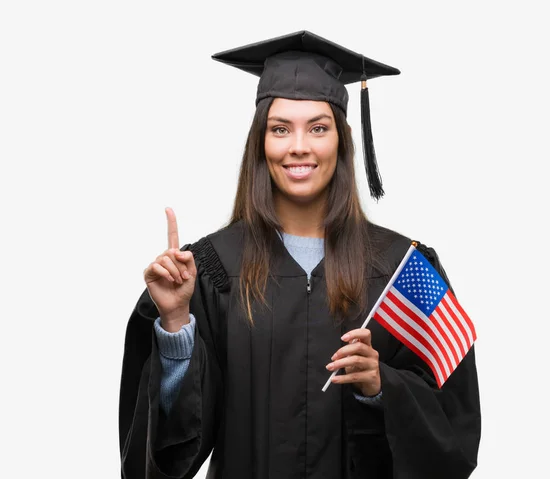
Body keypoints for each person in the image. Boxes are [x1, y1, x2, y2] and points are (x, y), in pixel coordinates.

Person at [118, 30, 481, 479]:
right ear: (261, 143)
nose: (299, 147)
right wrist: (175, 327)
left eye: (318, 128)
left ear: (343, 139)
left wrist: (381, 386)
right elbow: (171, 454)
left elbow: (453, 433)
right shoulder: (211, 270)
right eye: (280, 128)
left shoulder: (398, 268)